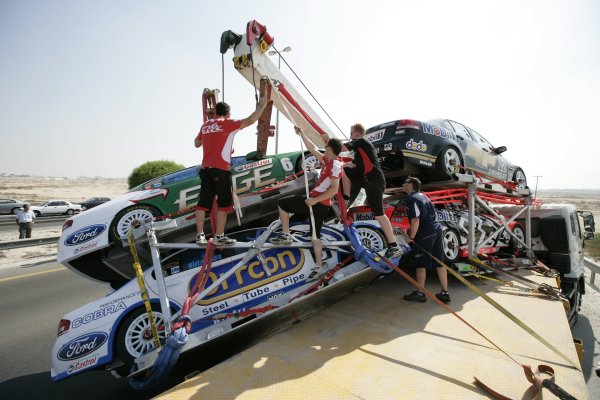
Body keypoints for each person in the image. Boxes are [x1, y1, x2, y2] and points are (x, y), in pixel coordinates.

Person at [271, 126, 343, 281]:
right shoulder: (326, 161)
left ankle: (286, 235)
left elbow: (335, 190)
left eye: (326, 148)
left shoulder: (335, 165)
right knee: (315, 236)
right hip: (316, 203)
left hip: (318, 203)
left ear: (331, 149)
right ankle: (319, 266)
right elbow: (311, 148)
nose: (324, 150)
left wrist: (315, 200)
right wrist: (302, 133)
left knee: (283, 204)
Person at [195, 97, 268, 246]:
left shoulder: (206, 125)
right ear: (228, 114)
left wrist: (211, 141)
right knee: (224, 203)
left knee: (203, 203)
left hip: (205, 169)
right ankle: (219, 236)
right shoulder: (228, 123)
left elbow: (197, 143)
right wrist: (262, 106)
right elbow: (251, 120)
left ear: (215, 112)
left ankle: (199, 235)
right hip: (220, 169)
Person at [340, 123, 402, 259]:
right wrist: (343, 164)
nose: (349, 136)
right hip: (368, 180)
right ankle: (346, 200)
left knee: (379, 214)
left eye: (350, 133)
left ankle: (394, 246)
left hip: (375, 180)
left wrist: (329, 146)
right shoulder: (360, 151)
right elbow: (354, 165)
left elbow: (342, 148)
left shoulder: (361, 141)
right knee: (346, 170)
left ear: (356, 132)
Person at [401, 176, 450, 303]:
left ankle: (420, 293)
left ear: (411, 185)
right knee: (439, 262)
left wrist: (411, 237)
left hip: (425, 233)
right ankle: (445, 293)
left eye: (405, 182)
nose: (403, 184)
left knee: (420, 263)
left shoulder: (412, 198)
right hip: (436, 229)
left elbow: (416, 219)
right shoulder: (424, 196)